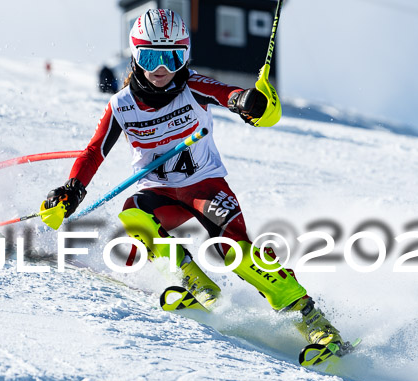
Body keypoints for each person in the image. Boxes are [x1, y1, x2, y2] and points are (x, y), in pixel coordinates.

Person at [44, 9, 344, 348]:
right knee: (134, 213)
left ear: (185, 57)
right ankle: (192, 280)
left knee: (237, 251)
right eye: (150, 56)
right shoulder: (121, 105)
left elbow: (229, 95)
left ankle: (312, 320)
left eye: (172, 57)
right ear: (134, 54)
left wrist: (249, 102)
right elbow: (94, 151)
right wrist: (72, 189)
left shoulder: (192, 86)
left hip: (204, 186)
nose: (161, 68)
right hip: (158, 191)